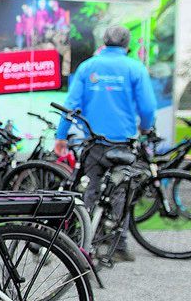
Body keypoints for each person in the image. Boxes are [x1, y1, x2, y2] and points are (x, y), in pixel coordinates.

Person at [54, 25, 157, 262]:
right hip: (123, 143)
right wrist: (145, 127)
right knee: (121, 192)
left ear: (104, 41)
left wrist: (61, 136)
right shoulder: (135, 67)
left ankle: (84, 241)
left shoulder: (88, 67)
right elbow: (148, 107)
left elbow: (71, 105)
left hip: (94, 143)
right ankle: (118, 246)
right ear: (127, 44)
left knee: (91, 191)